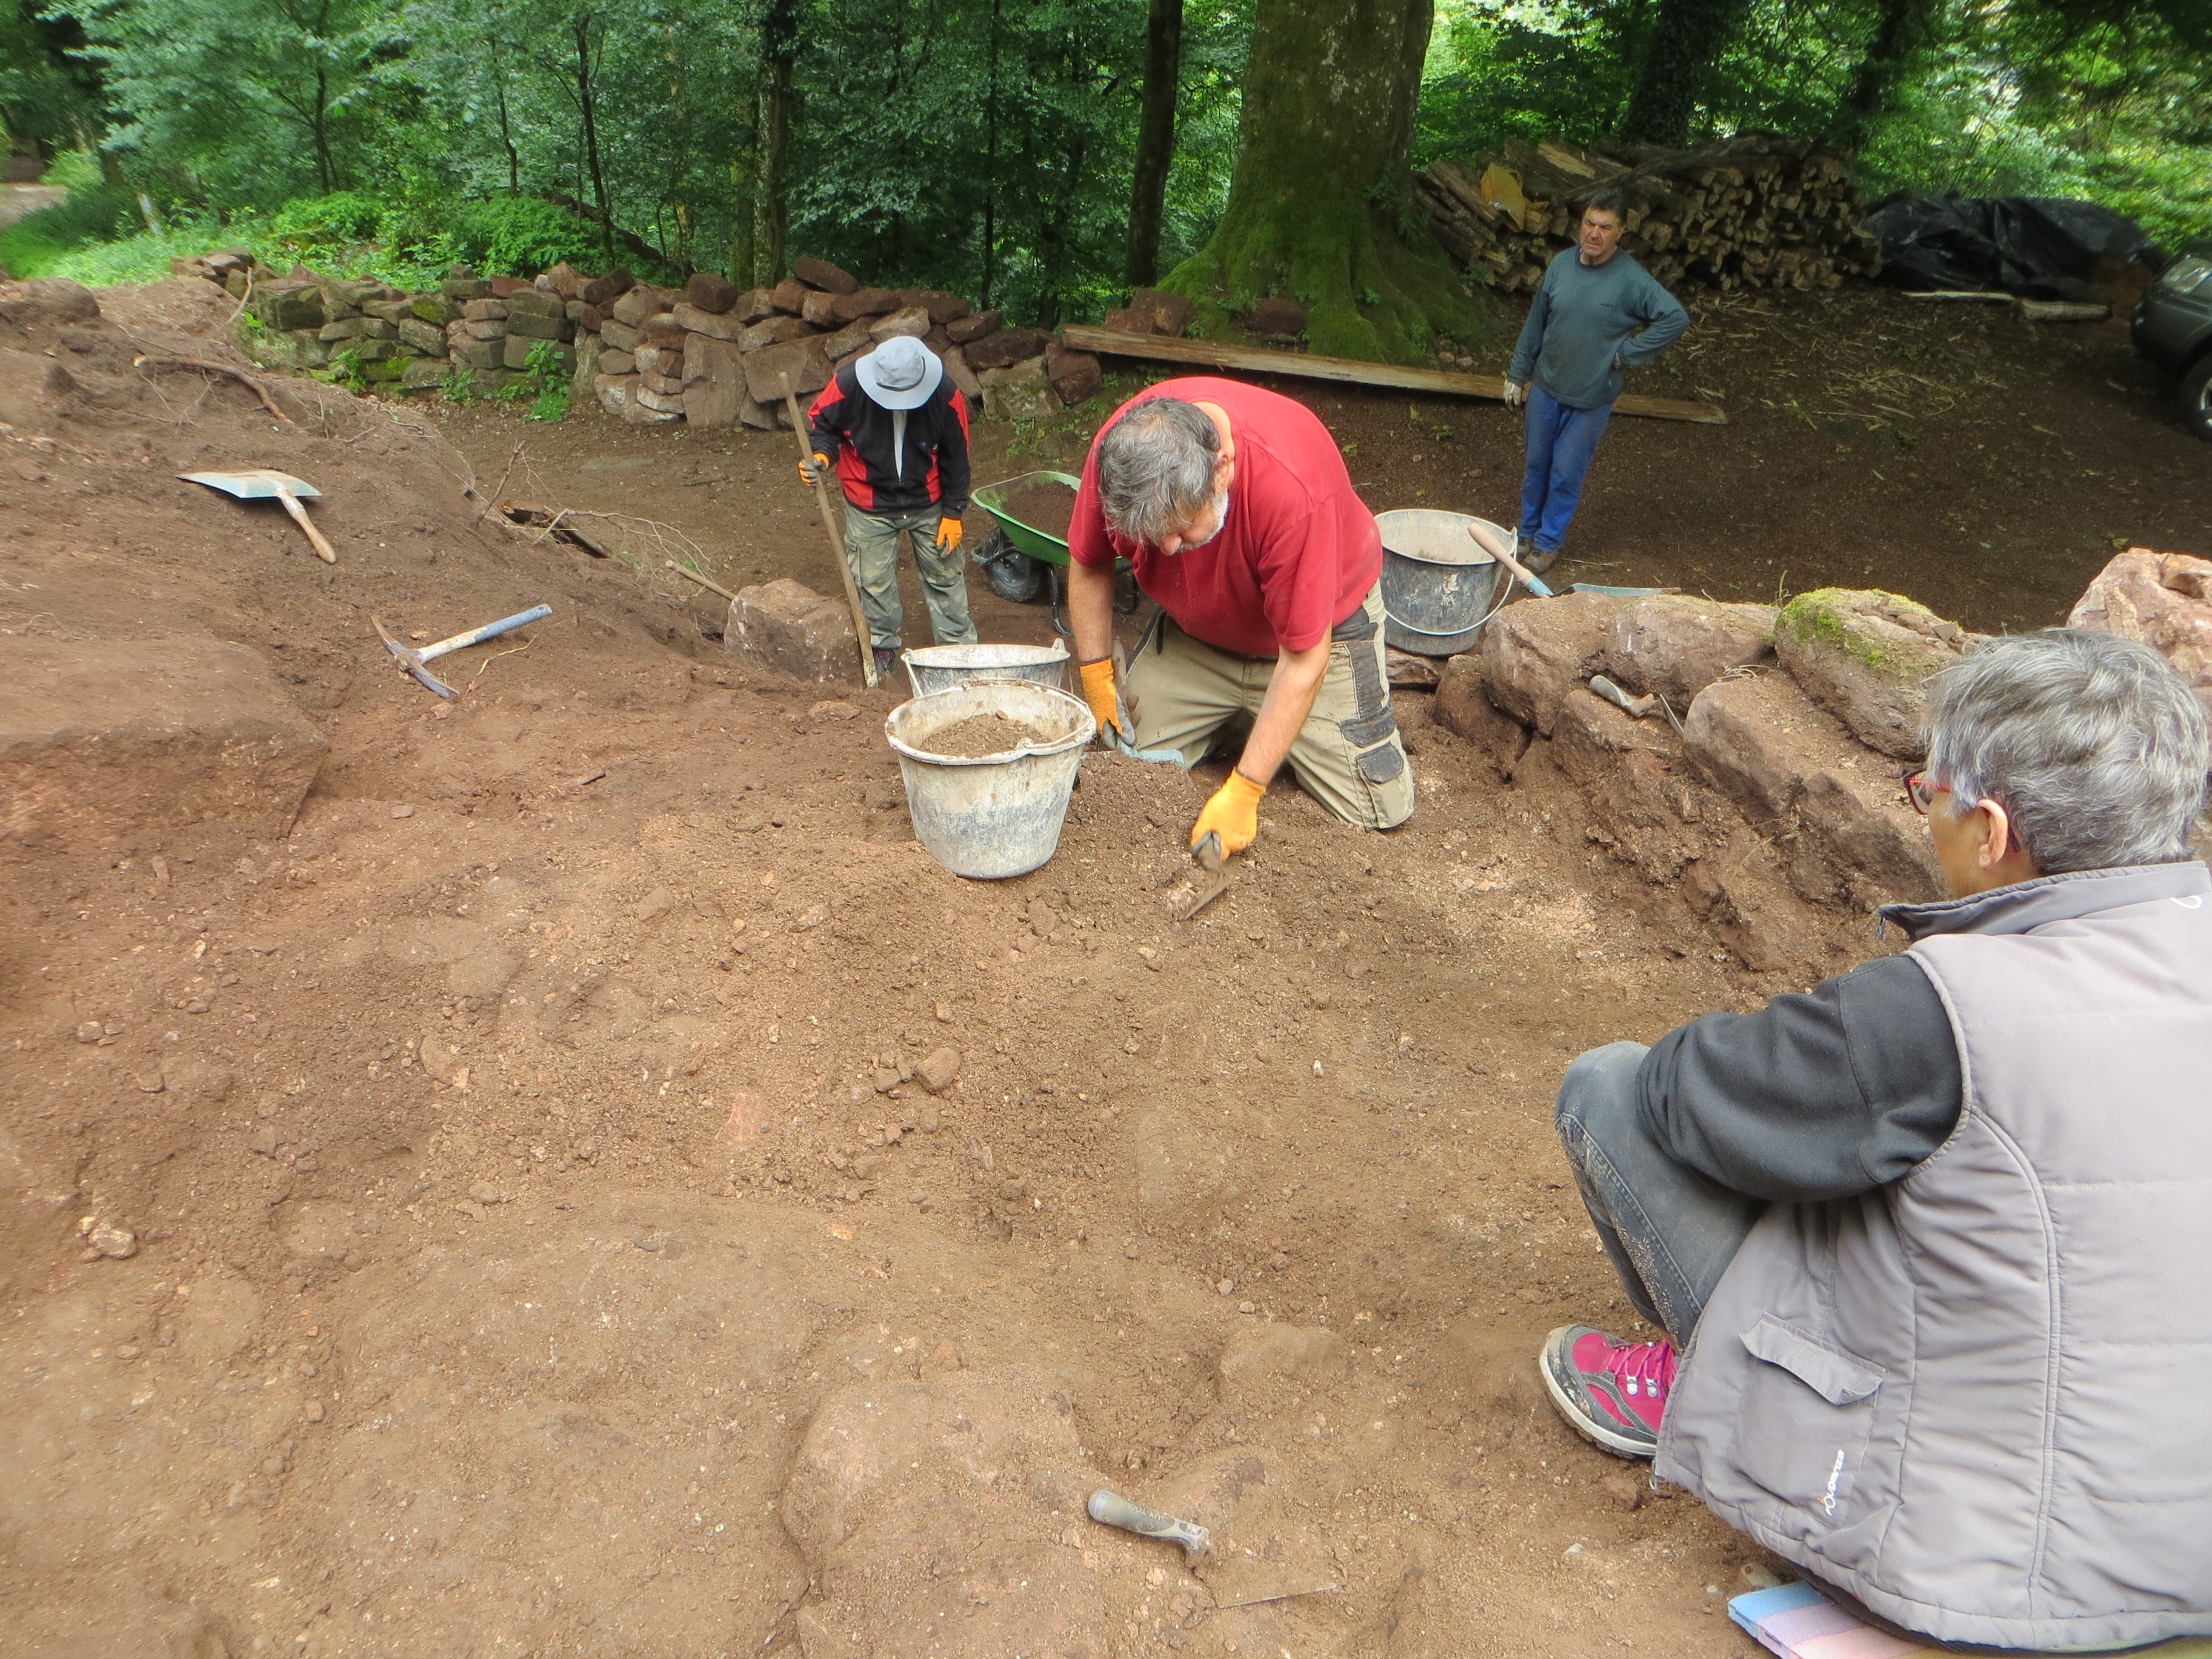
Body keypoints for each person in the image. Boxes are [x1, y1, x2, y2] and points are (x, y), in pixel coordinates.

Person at [1536, 629, 2212, 1651]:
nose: (1925, 812)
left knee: (1612, 1088)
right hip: (2185, 1556)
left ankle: (1706, 1387)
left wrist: (1840, 1085)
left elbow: (1684, 1095)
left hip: (1979, 1575)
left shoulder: (1941, 1009)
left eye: (1928, 793)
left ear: (1992, 830)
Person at [1066, 378, 1412, 854]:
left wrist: (1244, 791)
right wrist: (1096, 675)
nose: (1167, 549)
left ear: (1221, 469)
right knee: (1128, 765)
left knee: (1377, 808)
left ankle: (1257, 723)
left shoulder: (1293, 488)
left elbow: (1304, 661)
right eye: (1152, 535)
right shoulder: (1121, 456)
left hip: (1313, 642)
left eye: (1181, 529)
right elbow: (1089, 561)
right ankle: (1243, 719)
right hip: (1199, 640)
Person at [1504, 187, 1688, 573]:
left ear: (1620, 232)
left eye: (1605, 227)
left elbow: (1675, 318)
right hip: (1547, 386)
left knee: (1565, 472)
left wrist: (1626, 354)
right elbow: (1537, 321)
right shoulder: (1560, 265)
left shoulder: (1631, 279)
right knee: (1537, 464)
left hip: (1591, 396)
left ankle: (1549, 543)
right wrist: (1518, 373)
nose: (1594, 233)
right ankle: (1527, 533)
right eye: (1589, 223)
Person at [802, 334, 977, 685]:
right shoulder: (848, 384)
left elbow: (957, 454)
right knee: (873, 581)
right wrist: (821, 455)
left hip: (929, 499)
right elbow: (822, 424)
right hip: (868, 500)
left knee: (945, 575)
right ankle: (882, 648)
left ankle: (958, 653)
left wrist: (954, 512)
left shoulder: (945, 392)